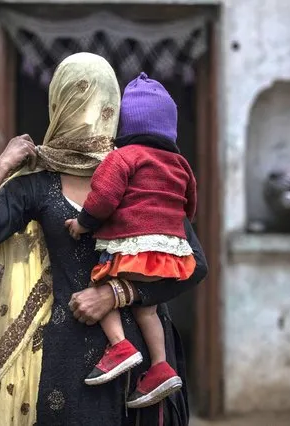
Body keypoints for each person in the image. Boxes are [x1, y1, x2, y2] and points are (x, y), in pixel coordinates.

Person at [0, 53, 208, 426]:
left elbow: (195, 264)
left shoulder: (142, 174)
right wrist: (1, 167)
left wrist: (116, 294)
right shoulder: (35, 186)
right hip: (70, 368)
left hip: (146, 369)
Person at [65, 73, 196, 410]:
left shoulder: (123, 157)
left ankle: (119, 347)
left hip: (131, 250)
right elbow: (190, 204)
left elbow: (104, 198)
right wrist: (172, 231)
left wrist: (83, 223)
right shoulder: (180, 164)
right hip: (170, 256)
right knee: (147, 309)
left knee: (101, 278)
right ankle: (161, 367)